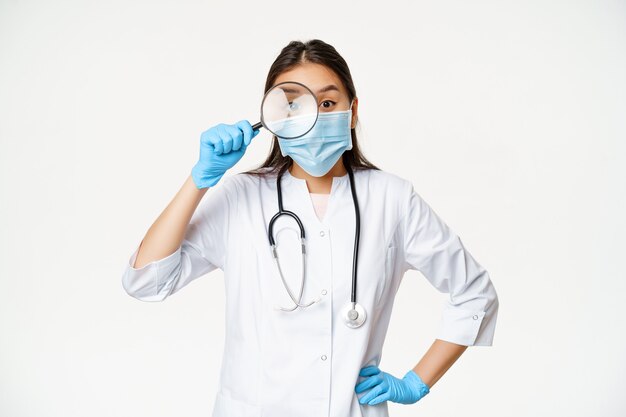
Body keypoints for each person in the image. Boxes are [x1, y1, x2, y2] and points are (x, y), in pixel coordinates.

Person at [121, 39, 499, 417]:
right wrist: (198, 182)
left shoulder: (392, 198)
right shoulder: (241, 196)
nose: (314, 117)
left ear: (352, 112)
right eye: (294, 105)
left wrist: (416, 382)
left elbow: (474, 293)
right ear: (274, 118)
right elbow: (146, 281)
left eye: (328, 103)